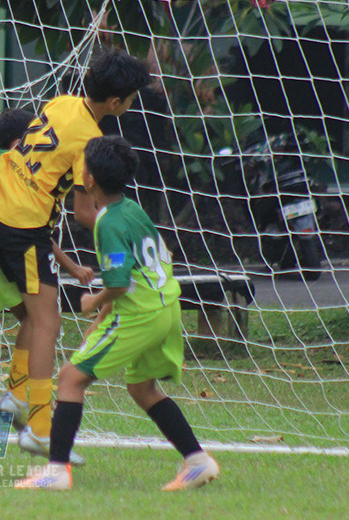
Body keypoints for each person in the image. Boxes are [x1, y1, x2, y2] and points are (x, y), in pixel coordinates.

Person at [15, 136, 219, 491]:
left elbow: (120, 283)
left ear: (89, 180)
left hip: (138, 313)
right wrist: (102, 315)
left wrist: (95, 301)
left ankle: (56, 471)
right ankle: (197, 460)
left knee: (70, 378)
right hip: (166, 306)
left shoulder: (107, 223)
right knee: (142, 388)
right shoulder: (131, 209)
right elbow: (135, 268)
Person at [0, 47, 149, 458]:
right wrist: (122, 235)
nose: (132, 104)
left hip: (5, 211)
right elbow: (83, 212)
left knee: (32, 317)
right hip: (23, 227)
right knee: (49, 324)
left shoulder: (62, 102)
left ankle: (15, 398)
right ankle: (40, 429)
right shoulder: (91, 141)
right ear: (116, 103)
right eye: (131, 98)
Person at [0, 108, 92, 456]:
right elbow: (26, 224)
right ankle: (17, 394)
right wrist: (70, 263)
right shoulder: (16, 165)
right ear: (19, 142)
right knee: (35, 319)